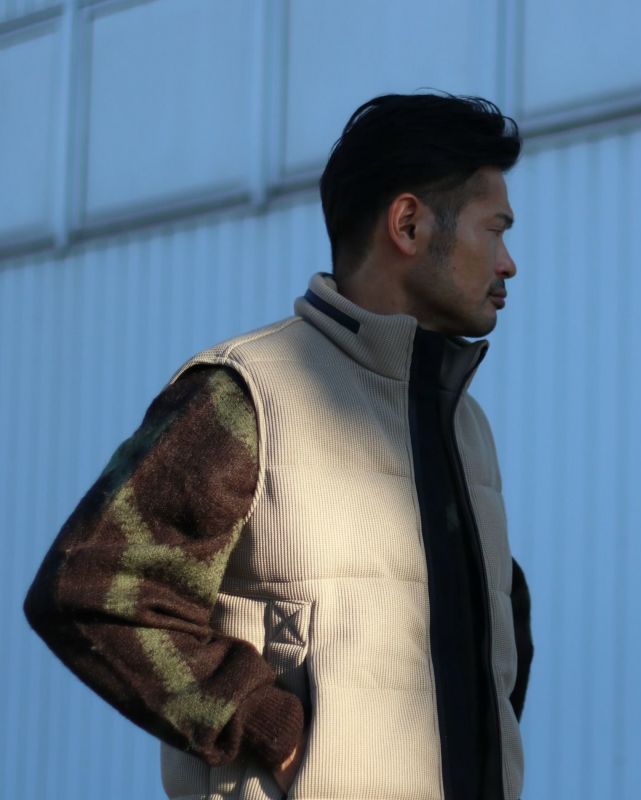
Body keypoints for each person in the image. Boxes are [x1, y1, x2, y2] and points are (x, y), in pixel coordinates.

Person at [24, 92, 534, 800]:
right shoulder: (249, 393)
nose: (508, 264)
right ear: (409, 224)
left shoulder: (463, 422)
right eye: (495, 230)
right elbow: (93, 591)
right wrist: (266, 725)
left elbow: (497, 637)